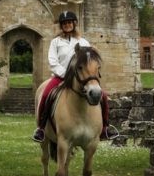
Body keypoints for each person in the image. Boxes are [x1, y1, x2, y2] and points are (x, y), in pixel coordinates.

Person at [32, 11, 115, 141]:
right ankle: (41, 128)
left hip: (81, 79)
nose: (67, 25)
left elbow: (90, 61)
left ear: (74, 24)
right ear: (61, 26)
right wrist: (66, 75)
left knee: (103, 96)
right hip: (60, 77)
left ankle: (105, 127)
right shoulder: (55, 42)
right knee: (46, 94)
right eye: (64, 23)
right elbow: (53, 62)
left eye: (69, 22)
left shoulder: (84, 42)